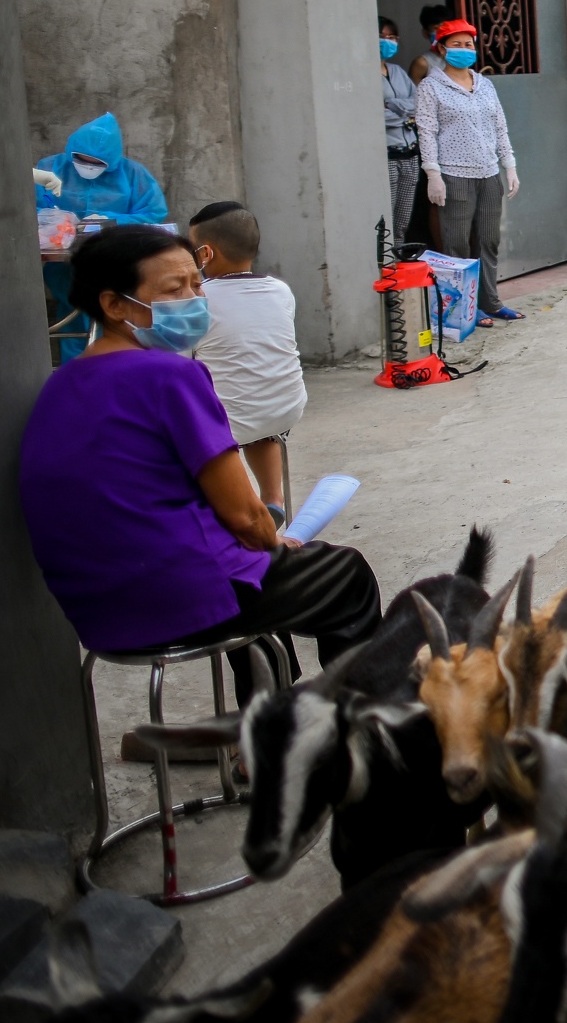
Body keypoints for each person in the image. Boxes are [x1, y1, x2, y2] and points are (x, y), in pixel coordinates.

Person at [19, 226, 382, 702]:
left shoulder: (60, 385)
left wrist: (263, 545)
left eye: (196, 283)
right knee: (345, 574)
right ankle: (357, 729)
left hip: (97, 609)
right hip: (177, 597)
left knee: (252, 565)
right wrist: (274, 540)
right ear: (114, 305)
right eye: (174, 289)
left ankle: (262, 723)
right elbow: (247, 516)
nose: (193, 299)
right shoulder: (170, 375)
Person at [189, 202, 306, 524]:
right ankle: (273, 498)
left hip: (231, 421)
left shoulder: (199, 301)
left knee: (198, 402)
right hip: (286, 407)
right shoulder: (280, 291)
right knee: (257, 414)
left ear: (206, 254)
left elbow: (180, 363)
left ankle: (238, 507)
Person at [414, 18, 524, 325]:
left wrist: (509, 165)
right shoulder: (431, 87)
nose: (464, 50)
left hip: (489, 175)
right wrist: (433, 173)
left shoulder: (485, 84)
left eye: (469, 44)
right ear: (441, 48)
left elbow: (499, 127)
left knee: (488, 240)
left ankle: (490, 301)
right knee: (457, 244)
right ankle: (464, 310)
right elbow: (427, 131)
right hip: (453, 175)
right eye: (457, 45)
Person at [35, 112, 170, 359]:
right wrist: (57, 222)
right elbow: (27, 208)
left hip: (112, 261)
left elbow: (153, 212)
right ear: (70, 152)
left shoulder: (133, 175)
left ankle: (108, 369)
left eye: (97, 163)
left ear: (112, 162)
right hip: (63, 263)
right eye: (82, 160)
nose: (88, 166)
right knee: (72, 316)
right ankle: (75, 375)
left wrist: (111, 221)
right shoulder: (49, 169)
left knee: (114, 320)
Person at [380, 15, 421, 246]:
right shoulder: (362, 73)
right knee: (387, 211)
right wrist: (404, 113)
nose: (388, 41)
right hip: (388, 153)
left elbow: (418, 103)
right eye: (382, 37)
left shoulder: (397, 71)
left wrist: (389, 105)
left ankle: (397, 259)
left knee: (403, 217)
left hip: (410, 152)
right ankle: (384, 263)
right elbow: (369, 115)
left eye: (392, 37)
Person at [407, 4, 450, 85]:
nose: (441, 32)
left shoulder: (458, 57)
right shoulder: (422, 63)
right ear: (425, 33)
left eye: (444, 28)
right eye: (436, 28)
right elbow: (415, 93)